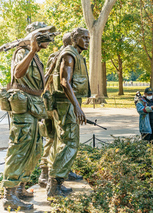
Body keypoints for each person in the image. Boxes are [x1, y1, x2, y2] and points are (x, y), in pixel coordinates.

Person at [1, 22, 56, 210]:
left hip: (33, 106)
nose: (51, 39)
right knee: (19, 149)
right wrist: (32, 51)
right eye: (47, 35)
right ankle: (9, 195)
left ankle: (20, 189)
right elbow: (17, 72)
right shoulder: (23, 52)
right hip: (23, 109)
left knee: (33, 149)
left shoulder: (35, 55)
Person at [47, 28, 91, 197]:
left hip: (69, 103)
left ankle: (59, 179)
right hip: (66, 104)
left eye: (88, 38)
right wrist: (77, 107)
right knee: (69, 142)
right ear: (74, 39)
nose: (87, 41)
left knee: (66, 141)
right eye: (83, 38)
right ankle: (54, 185)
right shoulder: (69, 54)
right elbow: (65, 81)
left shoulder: (75, 53)